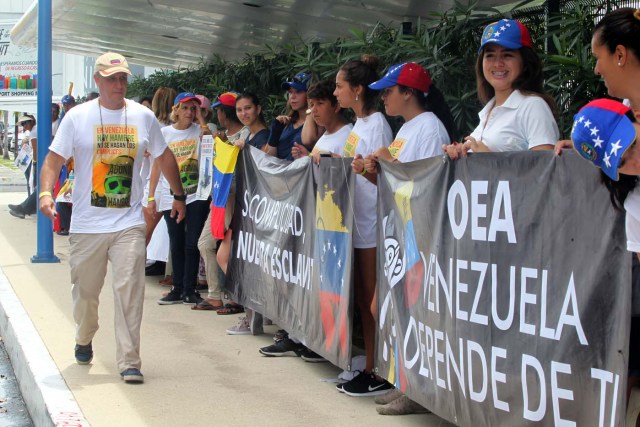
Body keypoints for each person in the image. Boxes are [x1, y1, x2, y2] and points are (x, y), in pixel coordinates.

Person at [38, 52, 186, 384]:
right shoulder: (77, 117)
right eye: (112, 78)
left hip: (128, 224)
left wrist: (178, 195)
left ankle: (129, 361)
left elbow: (164, 157)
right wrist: (46, 192)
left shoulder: (143, 116)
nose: (118, 84)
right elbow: (52, 159)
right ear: (98, 80)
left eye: (123, 78)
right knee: (86, 294)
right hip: (87, 226)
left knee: (130, 291)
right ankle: (85, 335)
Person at [361, 62, 456, 415]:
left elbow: (427, 183)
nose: (384, 97)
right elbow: (397, 184)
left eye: (389, 90)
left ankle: (416, 390)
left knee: (412, 311)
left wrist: (388, 163)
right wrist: (375, 170)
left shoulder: (429, 128)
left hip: (419, 233)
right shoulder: (408, 129)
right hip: (401, 231)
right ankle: (405, 383)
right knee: (390, 308)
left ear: (409, 93)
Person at [332, 54, 394, 397]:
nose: (336, 92)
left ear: (357, 89)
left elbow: (383, 174)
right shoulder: (358, 125)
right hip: (354, 221)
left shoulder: (380, 124)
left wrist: (362, 170)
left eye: (340, 86)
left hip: (372, 222)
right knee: (361, 300)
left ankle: (377, 368)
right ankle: (369, 363)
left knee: (373, 301)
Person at [444, 19, 559, 160]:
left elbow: (546, 171)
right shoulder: (488, 110)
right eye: (490, 55)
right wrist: (458, 152)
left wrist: (490, 159)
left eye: (507, 55)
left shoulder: (533, 106)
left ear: (525, 62)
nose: (498, 63)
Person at [217, 93, 271, 334]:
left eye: (247, 108)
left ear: (258, 108)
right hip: (246, 206)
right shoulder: (246, 135)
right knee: (228, 257)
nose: (243, 114)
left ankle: (253, 316)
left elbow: (267, 167)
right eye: (239, 110)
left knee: (241, 261)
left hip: (259, 210)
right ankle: (255, 313)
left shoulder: (264, 136)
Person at [152, 92, 211, 306]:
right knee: (175, 241)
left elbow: (210, 141)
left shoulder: (201, 132)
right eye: (185, 108)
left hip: (196, 195)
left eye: (193, 108)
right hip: (170, 196)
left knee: (192, 242)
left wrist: (201, 119)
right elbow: (157, 167)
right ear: (175, 109)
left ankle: (190, 289)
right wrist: (152, 196)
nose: (189, 112)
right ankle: (177, 288)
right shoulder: (164, 133)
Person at [290, 79, 353, 162]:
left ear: (336, 106)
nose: (313, 110)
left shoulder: (348, 137)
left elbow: (348, 172)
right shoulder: (328, 133)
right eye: (312, 105)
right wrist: (308, 155)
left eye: (320, 103)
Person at [264, 72, 311, 160]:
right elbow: (267, 159)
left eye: (298, 91)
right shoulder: (285, 123)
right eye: (290, 92)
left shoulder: (318, 123)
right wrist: (274, 134)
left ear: (309, 94)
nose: (292, 96)